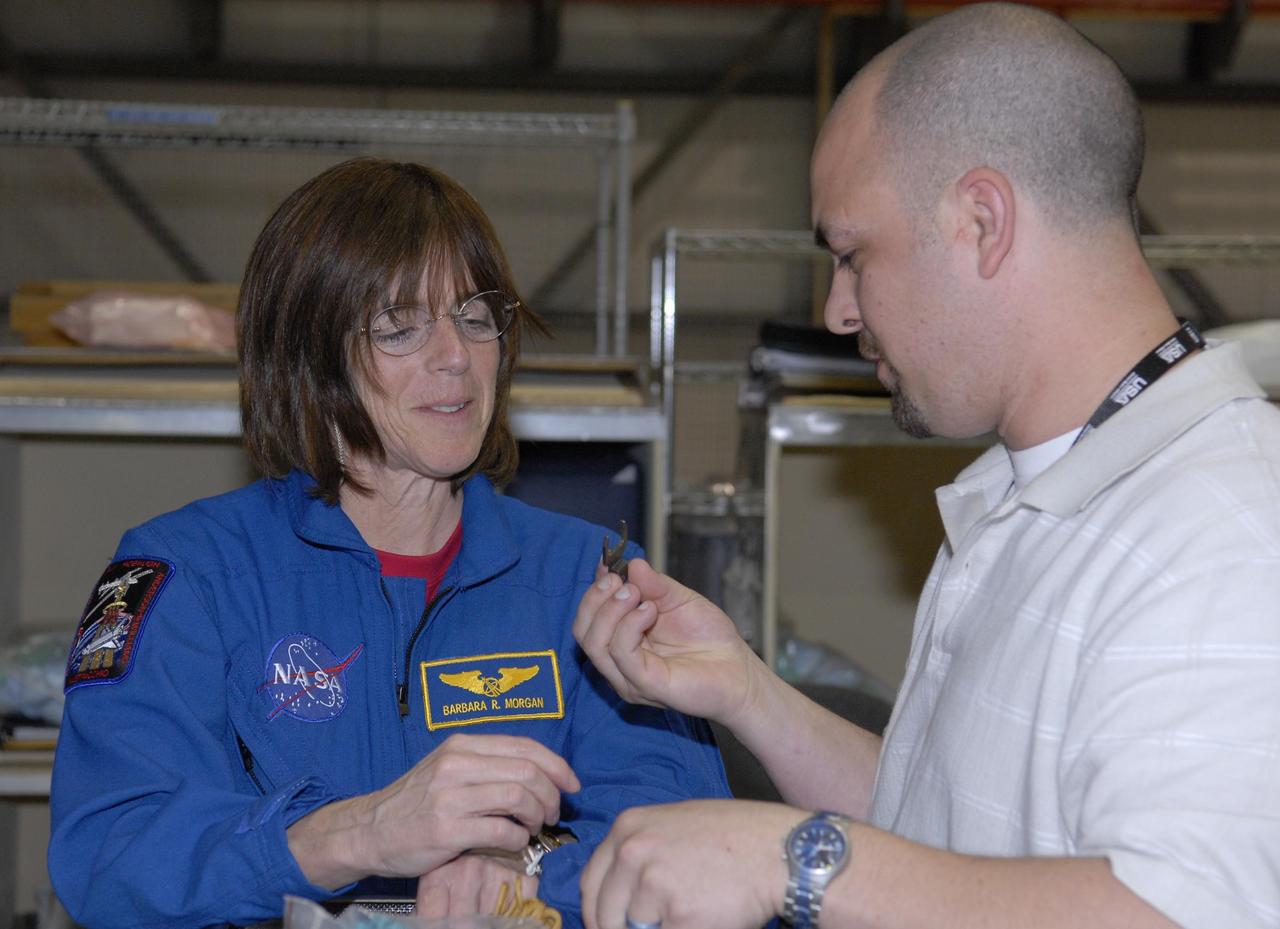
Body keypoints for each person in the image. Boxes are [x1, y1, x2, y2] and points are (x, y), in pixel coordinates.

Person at [573, 6, 1280, 929]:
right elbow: (946, 837)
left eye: (854, 254)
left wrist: (794, 859)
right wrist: (744, 689)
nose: (836, 309)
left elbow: (1198, 909)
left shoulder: (1224, 532)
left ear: (982, 220)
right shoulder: (1024, 494)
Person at [48, 157, 730, 929]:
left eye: (476, 317)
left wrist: (526, 868)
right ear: (310, 356)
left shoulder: (586, 577)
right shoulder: (187, 576)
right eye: (401, 326)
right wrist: (357, 831)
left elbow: (688, 843)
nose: (456, 356)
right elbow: (111, 855)